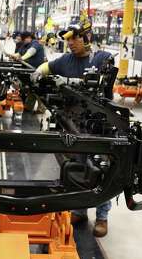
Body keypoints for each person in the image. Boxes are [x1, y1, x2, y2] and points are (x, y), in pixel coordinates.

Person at [31, 24, 113, 238]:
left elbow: (101, 83)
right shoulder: (66, 60)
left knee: (100, 167)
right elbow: (48, 67)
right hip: (74, 123)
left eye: (74, 39)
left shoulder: (101, 58)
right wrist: (38, 71)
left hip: (98, 123)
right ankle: (79, 210)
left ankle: (102, 216)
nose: (69, 44)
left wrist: (71, 82)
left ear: (86, 38)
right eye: (67, 40)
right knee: (77, 166)